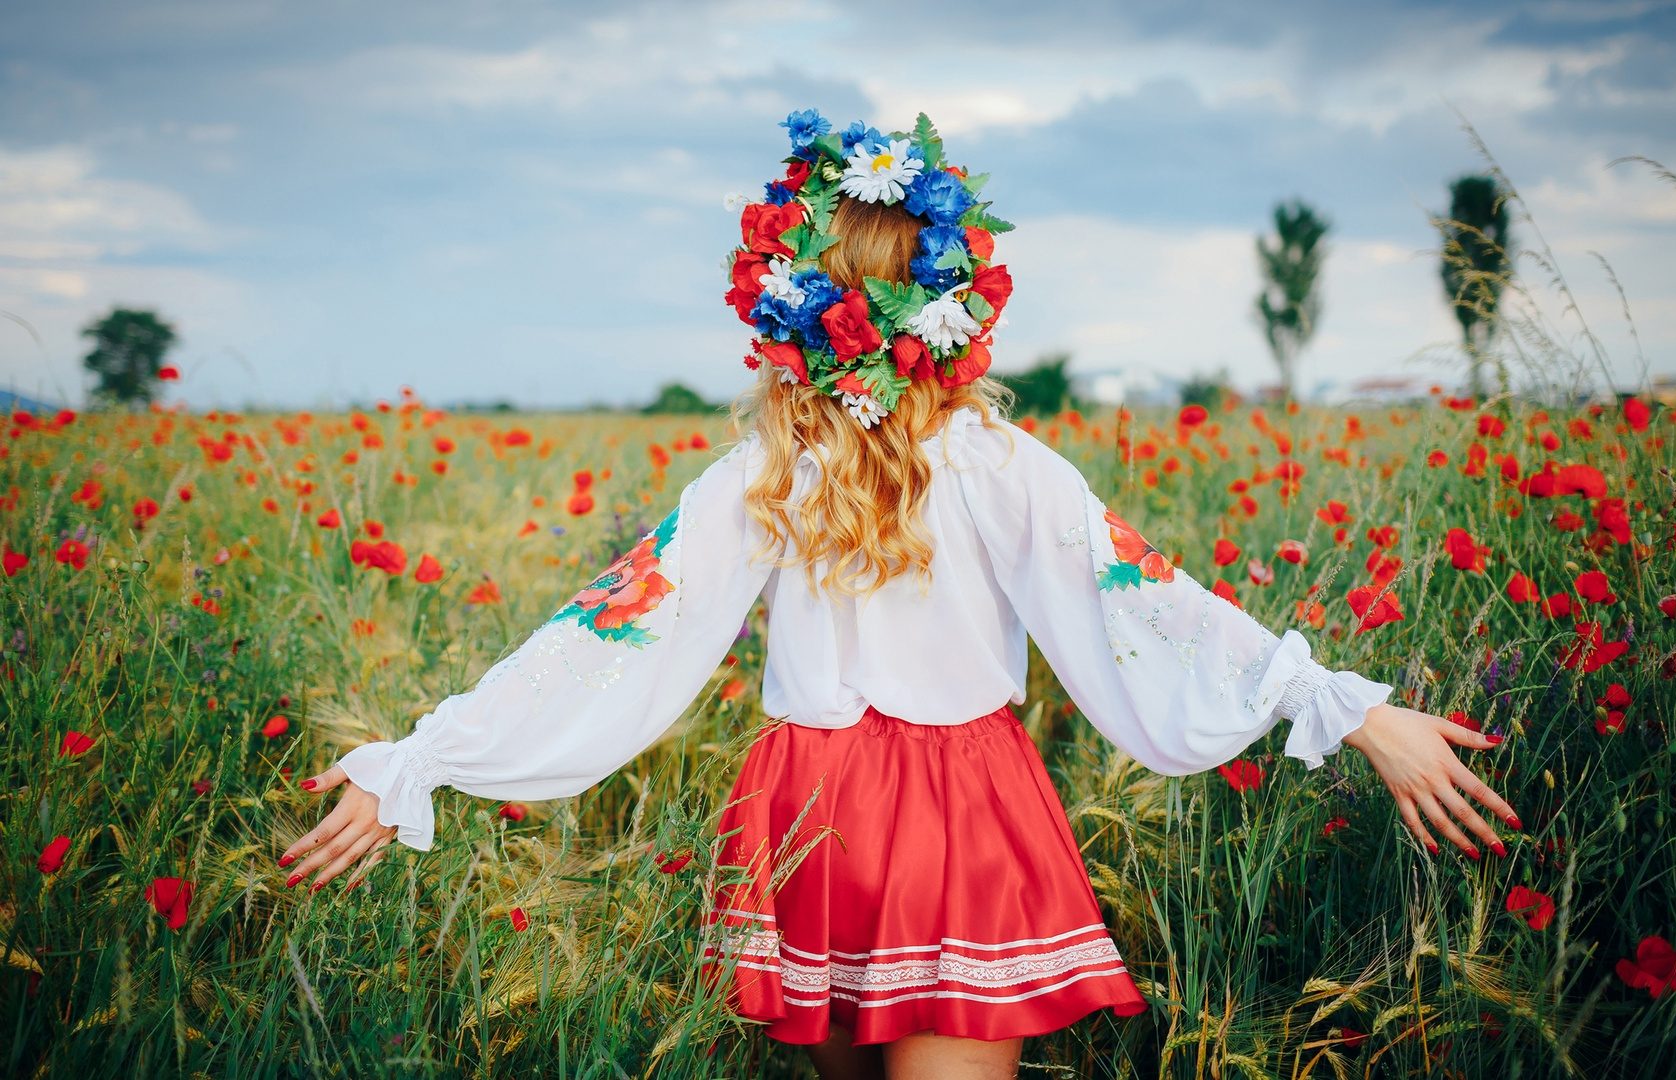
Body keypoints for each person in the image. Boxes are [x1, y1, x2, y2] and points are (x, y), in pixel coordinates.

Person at [277, 110, 1520, 1080]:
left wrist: (423, 763)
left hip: (805, 812)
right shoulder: (1000, 467)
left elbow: (616, 627)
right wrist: (1346, 709)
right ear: (953, 304)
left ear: (792, 310)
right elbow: (1148, 602)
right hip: (963, 809)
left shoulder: (759, 475)